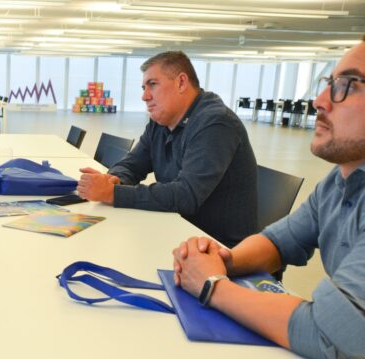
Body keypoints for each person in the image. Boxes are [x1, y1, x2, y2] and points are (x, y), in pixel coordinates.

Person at [172, 38, 365, 359]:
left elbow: (328, 335)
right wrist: (222, 260)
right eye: (329, 84)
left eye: (348, 85)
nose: (319, 101)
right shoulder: (337, 183)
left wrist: (212, 285)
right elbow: (279, 241)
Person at [77, 51, 257, 247]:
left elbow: (186, 196)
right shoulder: (161, 122)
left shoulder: (215, 123)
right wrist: (114, 179)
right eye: (144, 87)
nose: (144, 96)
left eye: (152, 84)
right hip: (180, 231)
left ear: (181, 82)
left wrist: (113, 193)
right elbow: (132, 164)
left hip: (220, 248)